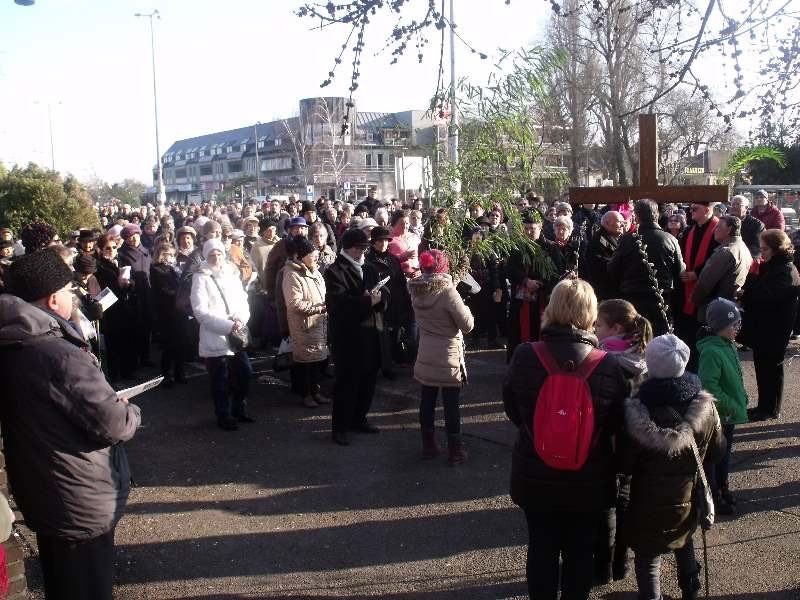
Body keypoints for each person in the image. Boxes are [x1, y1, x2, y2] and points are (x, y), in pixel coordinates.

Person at [0, 249, 141, 599]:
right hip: (78, 495)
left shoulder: (13, 342)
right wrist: (130, 410)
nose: (73, 297)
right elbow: (113, 424)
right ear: (52, 299)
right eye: (68, 290)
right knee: (86, 586)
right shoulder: (58, 354)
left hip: (44, 487)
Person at [503, 278, 628, 599]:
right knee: (580, 550)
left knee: (540, 547)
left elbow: (513, 408)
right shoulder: (608, 365)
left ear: (552, 308)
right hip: (590, 475)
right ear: (590, 313)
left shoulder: (525, 355)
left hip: (535, 470)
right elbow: (617, 422)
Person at [619, 334, 725, 600]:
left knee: (648, 557)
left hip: (645, 501)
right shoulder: (704, 407)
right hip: (687, 497)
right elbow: (717, 450)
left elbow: (624, 462)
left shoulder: (636, 410)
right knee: (684, 540)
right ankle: (691, 590)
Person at [409, 249, 475, 465]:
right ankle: (455, 451)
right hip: (448, 354)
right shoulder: (448, 292)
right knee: (451, 404)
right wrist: (465, 306)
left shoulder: (416, 290)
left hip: (426, 351)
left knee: (427, 401)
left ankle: (428, 446)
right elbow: (467, 325)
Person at [324, 228, 387, 446]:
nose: (361, 252)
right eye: (358, 248)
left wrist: (379, 299)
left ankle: (359, 419)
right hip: (348, 337)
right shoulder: (335, 271)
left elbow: (384, 295)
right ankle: (340, 428)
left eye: (364, 248)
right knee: (347, 383)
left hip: (371, 332)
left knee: (368, 381)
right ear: (347, 248)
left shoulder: (369, 268)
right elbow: (338, 305)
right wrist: (367, 301)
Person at [190, 239, 253, 431]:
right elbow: (200, 311)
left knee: (245, 372)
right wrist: (227, 326)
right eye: (212, 254)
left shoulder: (231, 273)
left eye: (218, 253)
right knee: (220, 380)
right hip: (214, 335)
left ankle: (239, 408)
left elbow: (243, 300)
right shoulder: (200, 276)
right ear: (206, 256)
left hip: (236, 333)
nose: (216, 257)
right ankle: (223, 415)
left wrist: (241, 319)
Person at [740, 229, 800, 421]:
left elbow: (767, 298)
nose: (762, 252)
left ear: (776, 249)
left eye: (765, 249)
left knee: (771, 370)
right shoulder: (775, 267)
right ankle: (764, 406)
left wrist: (746, 294)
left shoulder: (785, 270)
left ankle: (770, 409)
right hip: (767, 327)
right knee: (764, 368)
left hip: (774, 329)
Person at [696, 298, 748, 516]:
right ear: (719, 326)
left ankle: (723, 486)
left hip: (730, 414)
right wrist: (732, 404)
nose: (737, 328)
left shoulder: (728, 345)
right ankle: (713, 493)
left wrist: (741, 397)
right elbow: (709, 386)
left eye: (738, 323)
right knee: (714, 457)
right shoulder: (712, 351)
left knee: (725, 455)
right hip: (720, 415)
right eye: (733, 324)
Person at [608, 199, 685, 336]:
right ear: (656, 215)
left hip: (633, 298)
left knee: (634, 339)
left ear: (637, 216)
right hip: (660, 299)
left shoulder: (627, 239)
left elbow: (613, 268)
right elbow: (679, 271)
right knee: (660, 340)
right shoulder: (670, 239)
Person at [282, 236, 331, 408]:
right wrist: (319, 308)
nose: (316, 257)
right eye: (313, 254)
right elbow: (294, 303)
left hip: (319, 323)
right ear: (302, 256)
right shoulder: (292, 274)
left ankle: (315, 391)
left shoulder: (315, 272)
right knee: (305, 363)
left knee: (316, 361)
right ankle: (306, 394)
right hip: (304, 325)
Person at [675, 203, 719, 372]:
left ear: (707, 210)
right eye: (690, 209)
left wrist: (697, 273)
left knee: (699, 335)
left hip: (705, 291)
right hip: (686, 285)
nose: (690, 212)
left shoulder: (717, 230)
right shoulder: (689, 230)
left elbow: (716, 258)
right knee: (685, 333)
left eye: (695, 209)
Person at [366, 226, 414, 379]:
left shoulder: (393, 259)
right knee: (382, 337)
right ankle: (385, 368)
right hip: (379, 304)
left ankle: (397, 360)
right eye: (380, 241)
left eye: (386, 240)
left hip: (396, 302)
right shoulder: (368, 261)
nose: (383, 243)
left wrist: (406, 301)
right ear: (373, 242)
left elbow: (400, 281)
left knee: (396, 334)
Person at [690, 215, 752, 326]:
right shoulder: (743, 248)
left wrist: (694, 299)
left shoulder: (726, 252)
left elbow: (705, 282)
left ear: (728, 230)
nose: (714, 230)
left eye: (718, 227)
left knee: (707, 335)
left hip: (715, 308)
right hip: (729, 307)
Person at [94, 233, 139, 382]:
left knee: (128, 340)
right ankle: (114, 374)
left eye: (114, 247)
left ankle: (128, 370)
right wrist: (117, 285)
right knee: (113, 342)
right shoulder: (98, 266)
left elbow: (133, 279)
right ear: (100, 249)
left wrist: (129, 284)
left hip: (125, 307)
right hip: (110, 309)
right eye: (108, 248)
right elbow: (100, 288)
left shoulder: (121, 260)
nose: (112, 250)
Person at [505, 212, 550, 361]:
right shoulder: (516, 247)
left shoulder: (549, 247)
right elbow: (509, 269)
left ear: (540, 227)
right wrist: (525, 280)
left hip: (542, 298)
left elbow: (555, 271)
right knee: (518, 330)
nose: (529, 232)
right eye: (526, 228)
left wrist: (540, 282)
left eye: (532, 228)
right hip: (521, 299)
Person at [150, 242, 188, 387]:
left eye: (173, 254)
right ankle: (166, 375)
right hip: (167, 312)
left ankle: (179, 372)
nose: (172, 257)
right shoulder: (156, 270)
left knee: (181, 343)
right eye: (169, 254)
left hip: (179, 311)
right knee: (170, 345)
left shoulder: (173, 269)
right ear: (161, 255)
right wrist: (180, 291)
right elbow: (166, 290)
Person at [117, 223, 154, 368]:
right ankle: (134, 360)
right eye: (129, 237)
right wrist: (130, 284)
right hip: (133, 296)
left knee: (147, 327)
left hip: (148, 294)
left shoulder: (146, 250)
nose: (133, 239)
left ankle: (145, 356)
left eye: (135, 235)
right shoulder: (122, 254)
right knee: (135, 328)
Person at [581, 210, 624, 301]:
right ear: (607, 223)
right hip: (605, 293)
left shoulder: (609, 237)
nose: (622, 225)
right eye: (619, 222)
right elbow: (600, 264)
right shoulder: (599, 241)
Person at [265, 217, 308, 301]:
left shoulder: (309, 245)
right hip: (284, 286)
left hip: (304, 287)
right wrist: (271, 292)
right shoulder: (281, 245)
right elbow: (271, 268)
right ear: (291, 230)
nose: (299, 231)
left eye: (302, 228)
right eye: (296, 228)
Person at [728, 194, 765, 260]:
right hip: (726, 256)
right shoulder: (725, 222)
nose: (734, 207)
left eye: (738, 204)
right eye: (732, 205)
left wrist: (740, 255)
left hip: (747, 259)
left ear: (746, 208)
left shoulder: (757, 225)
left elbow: (758, 248)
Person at [388, 209, 421, 278]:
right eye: (402, 224)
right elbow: (387, 261)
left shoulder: (414, 237)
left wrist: (420, 270)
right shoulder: (388, 239)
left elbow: (418, 257)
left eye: (407, 223)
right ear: (394, 224)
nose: (405, 226)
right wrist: (403, 257)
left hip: (416, 277)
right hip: (398, 277)